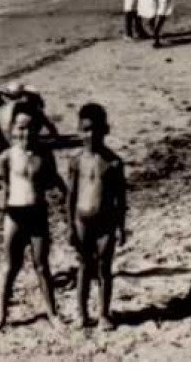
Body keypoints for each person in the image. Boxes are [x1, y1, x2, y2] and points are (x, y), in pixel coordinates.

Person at [0, 111, 67, 330]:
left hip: (37, 213)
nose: (26, 132)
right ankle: (2, 314)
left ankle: (52, 313)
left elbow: (55, 180)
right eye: (21, 128)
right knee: (10, 267)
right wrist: (4, 211)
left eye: (30, 127)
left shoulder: (44, 155)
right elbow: (4, 185)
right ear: (14, 130)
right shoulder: (7, 156)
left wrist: (67, 202)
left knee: (42, 266)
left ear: (37, 130)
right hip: (14, 215)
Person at [67, 103, 128, 332]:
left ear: (106, 130)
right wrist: (70, 226)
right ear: (79, 130)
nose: (90, 135)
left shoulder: (113, 162)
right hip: (82, 220)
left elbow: (121, 198)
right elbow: (70, 197)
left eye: (95, 130)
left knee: (104, 268)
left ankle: (103, 313)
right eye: (85, 129)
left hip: (105, 222)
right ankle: (82, 314)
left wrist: (121, 227)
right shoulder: (76, 161)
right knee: (83, 266)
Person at [0, 82, 59, 146]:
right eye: (12, 96)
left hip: (29, 112)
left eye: (17, 96)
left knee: (40, 116)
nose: (15, 98)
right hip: (15, 114)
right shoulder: (2, 94)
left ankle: (55, 135)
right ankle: (0, 137)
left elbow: (41, 106)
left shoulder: (32, 95)